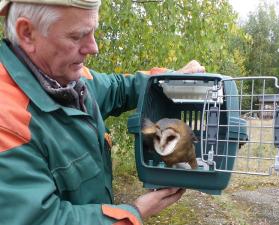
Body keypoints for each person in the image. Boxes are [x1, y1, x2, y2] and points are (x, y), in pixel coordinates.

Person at [0, 0, 205, 224]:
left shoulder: (70, 81)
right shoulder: (8, 122)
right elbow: (41, 220)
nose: (94, 48)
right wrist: (134, 212)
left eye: (93, 32)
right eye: (77, 36)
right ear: (27, 33)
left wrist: (169, 78)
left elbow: (119, 87)